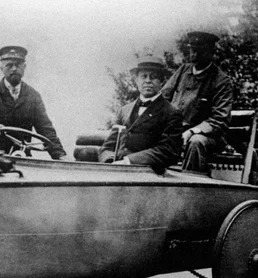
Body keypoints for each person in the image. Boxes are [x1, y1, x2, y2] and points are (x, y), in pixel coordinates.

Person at [0, 45, 67, 159]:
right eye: (9, 65)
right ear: (1, 68)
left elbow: (45, 128)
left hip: (21, 158)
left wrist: (60, 155)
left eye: (17, 65)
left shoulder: (33, 96)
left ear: (24, 67)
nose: (14, 69)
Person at [161, 31, 233, 172]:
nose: (194, 55)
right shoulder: (183, 71)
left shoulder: (221, 80)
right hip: (176, 131)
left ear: (211, 52)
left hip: (208, 136)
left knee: (195, 142)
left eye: (200, 51)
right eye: (192, 50)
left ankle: (188, 187)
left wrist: (191, 132)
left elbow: (219, 119)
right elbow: (163, 99)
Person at [99, 56, 183, 173]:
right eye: (144, 76)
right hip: (117, 170)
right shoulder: (124, 110)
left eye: (153, 77)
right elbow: (108, 146)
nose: (148, 80)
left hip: (148, 173)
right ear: (136, 81)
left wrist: (128, 161)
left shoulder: (171, 112)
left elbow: (167, 151)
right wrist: (109, 162)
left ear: (162, 82)